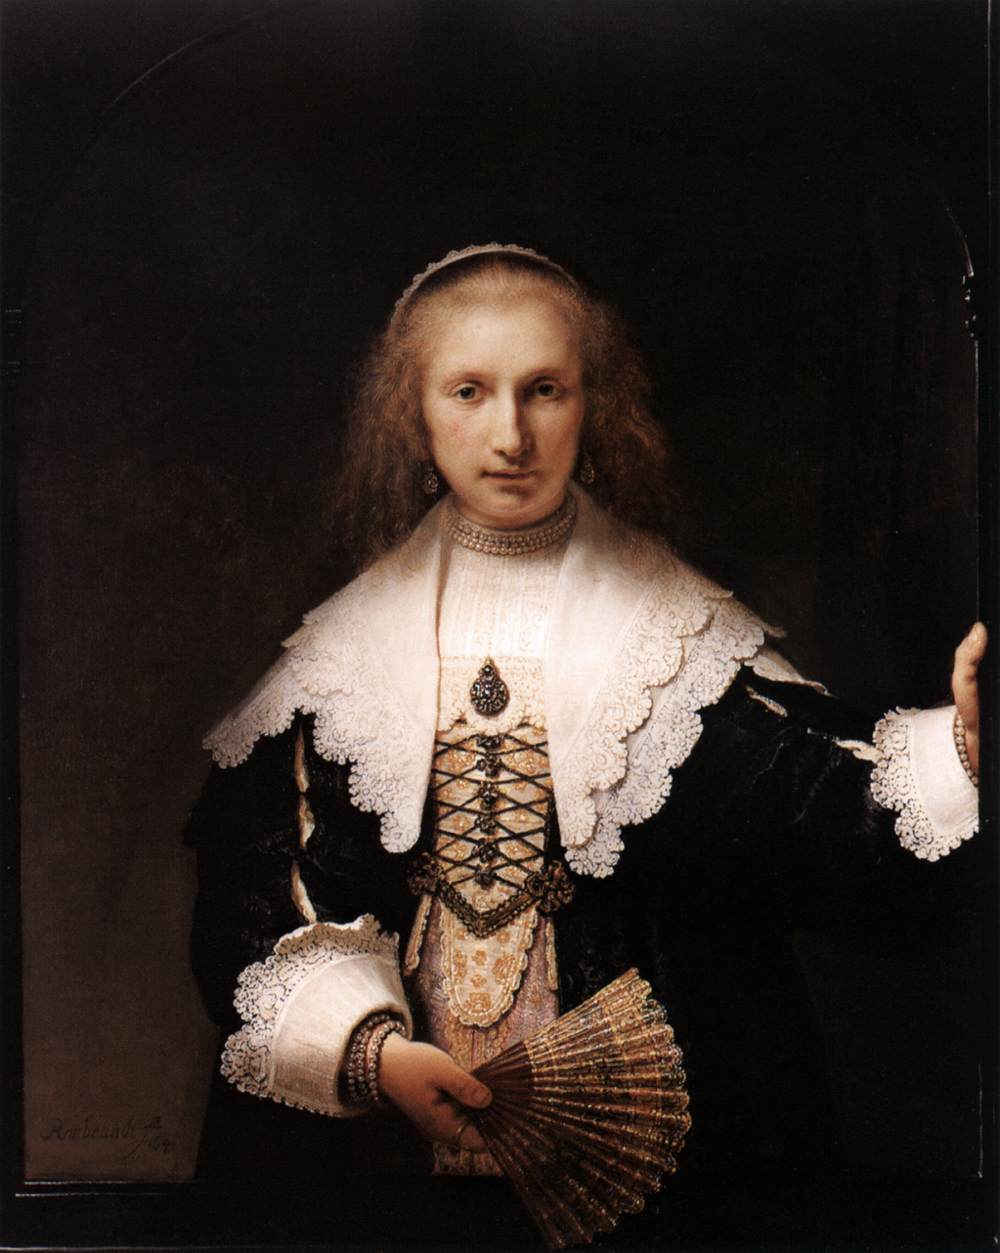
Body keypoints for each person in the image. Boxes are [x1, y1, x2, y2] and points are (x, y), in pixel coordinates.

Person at [185, 244, 984, 1245]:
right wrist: (374, 1054)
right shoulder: (342, 656)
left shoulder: (670, 634)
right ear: (414, 416)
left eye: (544, 390)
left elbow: (816, 807)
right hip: (391, 1158)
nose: (509, 435)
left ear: (590, 407)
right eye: (469, 391)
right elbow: (261, 890)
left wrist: (962, 745)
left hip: (648, 1165)